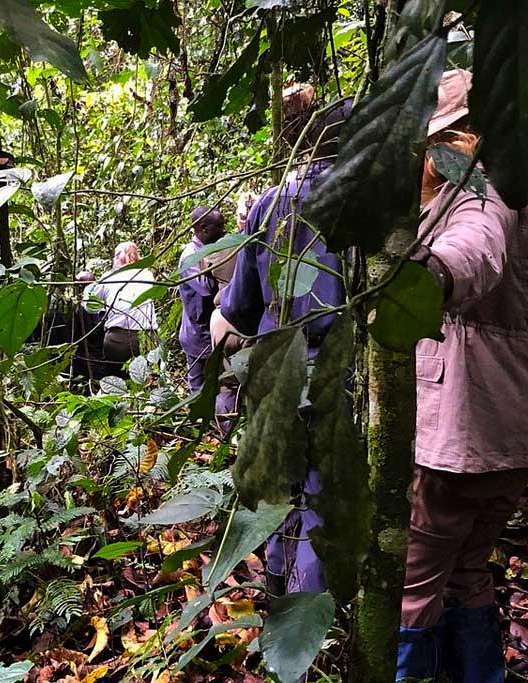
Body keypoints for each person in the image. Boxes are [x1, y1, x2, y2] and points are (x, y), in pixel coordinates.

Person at [396, 69, 528, 682]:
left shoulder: (479, 192)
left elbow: (473, 252)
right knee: (468, 567)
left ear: (457, 137)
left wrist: (428, 275)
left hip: (468, 423)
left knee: (415, 583)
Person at [218, 92, 354, 594]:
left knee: (283, 483)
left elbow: (240, 307)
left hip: (280, 362)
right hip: (337, 365)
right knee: (321, 489)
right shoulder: (363, 201)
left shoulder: (270, 204)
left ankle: (279, 586)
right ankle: (309, 606)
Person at [82, 242, 158, 377]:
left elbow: (90, 307)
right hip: (147, 337)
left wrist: (90, 287)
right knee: (148, 380)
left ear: (117, 258)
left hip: (119, 340)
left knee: (118, 379)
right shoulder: (147, 274)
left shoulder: (109, 277)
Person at [178, 207, 226, 393]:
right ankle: (199, 421)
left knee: (218, 384)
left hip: (211, 331)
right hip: (197, 334)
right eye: (219, 227)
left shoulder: (211, 249)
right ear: (204, 228)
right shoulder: (190, 256)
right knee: (198, 388)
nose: (223, 231)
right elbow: (205, 288)